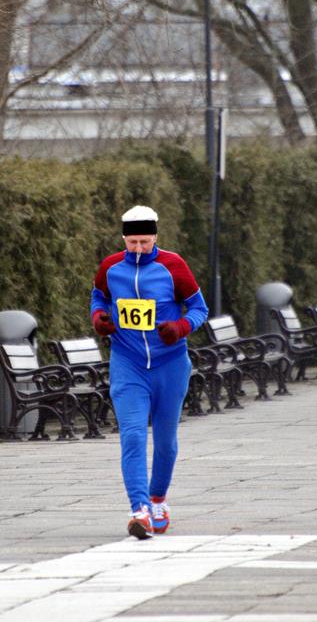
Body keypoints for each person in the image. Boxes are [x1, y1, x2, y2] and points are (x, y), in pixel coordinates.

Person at [90, 205, 208, 539]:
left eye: (145, 241)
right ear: (123, 239)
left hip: (170, 363)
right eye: (132, 242)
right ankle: (139, 510)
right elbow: (98, 298)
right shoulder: (110, 267)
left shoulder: (174, 266)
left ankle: (158, 500)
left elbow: (199, 308)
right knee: (132, 434)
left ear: (155, 237)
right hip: (128, 363)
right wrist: (99, 318)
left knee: (166, 442)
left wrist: (180, 327)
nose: (139, 248)